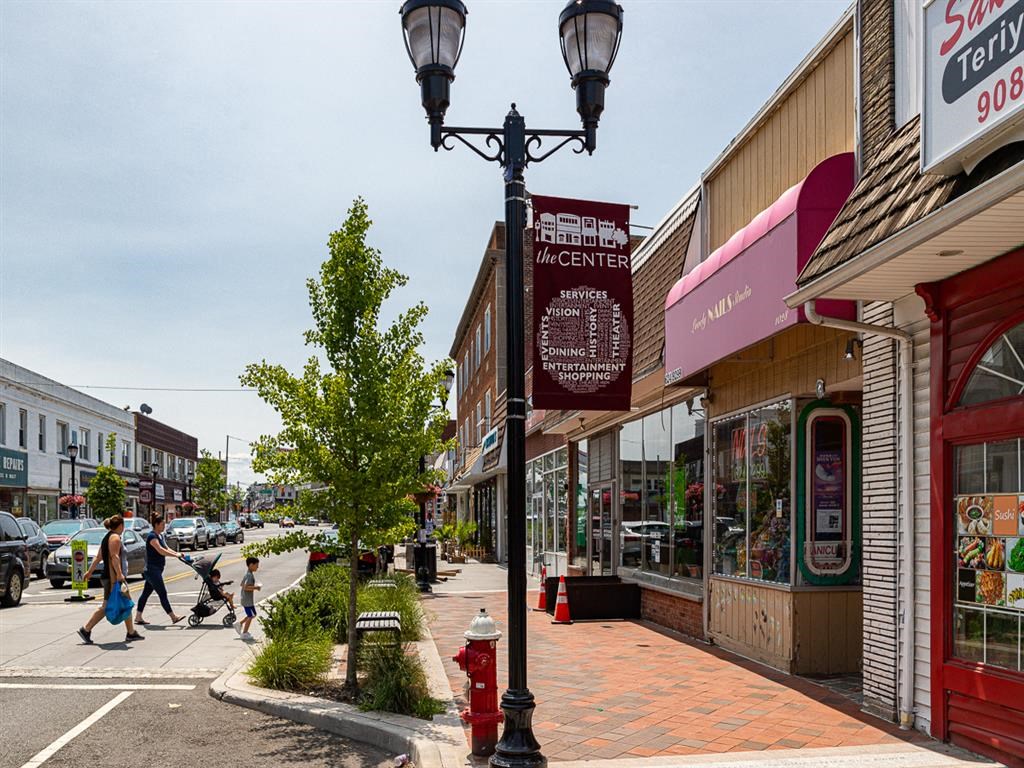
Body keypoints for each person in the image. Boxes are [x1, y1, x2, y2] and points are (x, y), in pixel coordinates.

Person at [77, 515, 144, 644]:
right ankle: (86, 629)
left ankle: (131, 632)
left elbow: (98, 557)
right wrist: (119, 574)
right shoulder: (115, 538)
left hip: (110, 577)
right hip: (112, 578)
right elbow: (114, 557)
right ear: (121, 526)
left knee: (126, 603)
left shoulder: (107, 537)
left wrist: (89, 572)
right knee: (108, 606)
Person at [135, 513, 186, 626]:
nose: (164, 526)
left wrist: (177, 553)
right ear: (156, 525)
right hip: (152, 570)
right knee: (162, 593)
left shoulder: (160, 536)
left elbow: (166, 548)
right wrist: (175, 555)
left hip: (156, 569)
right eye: (162, 524)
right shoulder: (152, 537)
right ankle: (173, 617)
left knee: (145, 593)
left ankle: (138, 616)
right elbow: (160, 550)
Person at [234, 556, 260, 640]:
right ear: (251, 565)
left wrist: (253, 587)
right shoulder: (249, 575)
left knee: (253, 614)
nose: (257, 567)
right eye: (256, 565)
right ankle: (244, 633)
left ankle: (239, 624)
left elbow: (242, 584)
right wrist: (256, 588)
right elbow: (245, 587)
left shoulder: (248, 574)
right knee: (250, 615)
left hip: (247, 599)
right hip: (247, 600)